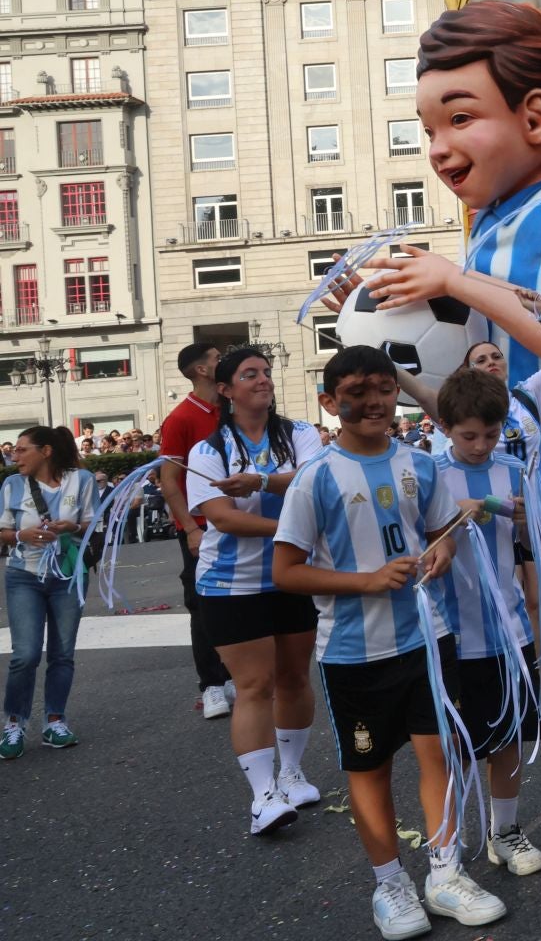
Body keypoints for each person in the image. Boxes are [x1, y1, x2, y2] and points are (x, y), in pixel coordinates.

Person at [274, 345, 506, 938]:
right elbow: (286, 570)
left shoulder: (421, 464)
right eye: (357, 392)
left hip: (429, 639)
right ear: (330, 403)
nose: (375, 401)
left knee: (441, 757)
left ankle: (445, 873)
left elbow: (442, 532)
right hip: (354, 652)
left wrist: (443, 550)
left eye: (383, 388)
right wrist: (366, 582)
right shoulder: (315, 478)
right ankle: (390, 885)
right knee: (370, 768)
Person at [363, 0, 541, 387]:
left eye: (460, 118)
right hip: (507, 440)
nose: (437, 149)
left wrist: (455, 282)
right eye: (429, 132)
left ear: (535, 119)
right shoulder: (488, 225)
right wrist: (372, 319)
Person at [404, 289, 541, 724]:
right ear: (467, 372)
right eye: (480, 359)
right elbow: (419, 390)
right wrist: (380, 354)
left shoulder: (530, 394)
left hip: (535, 518)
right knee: (502, 592)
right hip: (481, 525)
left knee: (538, 600)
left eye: (496, 356)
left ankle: (537, 681)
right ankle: (500, 672)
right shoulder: (455, 406)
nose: (491, 362)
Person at [186, 347, 326, 834]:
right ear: (226, 390)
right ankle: (262, 796)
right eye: (250, 375)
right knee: (253, 687)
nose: (263, 380)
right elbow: (222, 517)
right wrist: (292, 527)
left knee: (294, 679)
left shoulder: (300, 433)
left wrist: (262, 480)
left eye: (266, 372)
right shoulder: (208, 451)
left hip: (293, 576)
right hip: (230, 584)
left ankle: (292, 772)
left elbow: (312, 481)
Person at [424, 366, 541, 879]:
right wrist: (457, 516)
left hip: (509, 628)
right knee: (454, 747)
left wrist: (510, 513)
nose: (480, 445)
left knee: (510, 738)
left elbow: (530, 529)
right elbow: (423, 539)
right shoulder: (430, 474)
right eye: (467, 435)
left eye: (491, 434)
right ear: (446, 429)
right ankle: (447, 848)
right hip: (453, 633)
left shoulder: (511, 470)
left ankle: (506, 830)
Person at [0, 426, 97, 759]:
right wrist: (19, 536)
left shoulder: (81, 481)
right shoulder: (12, 484)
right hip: (23, 574)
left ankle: (55, 720)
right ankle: (14, 722)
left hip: (68, 576)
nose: (15, 455)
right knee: (25, 654)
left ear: (46, 451)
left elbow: (91, 523)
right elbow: (3, 531)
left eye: (21, 449)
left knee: (62, 653)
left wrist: (71, 527)